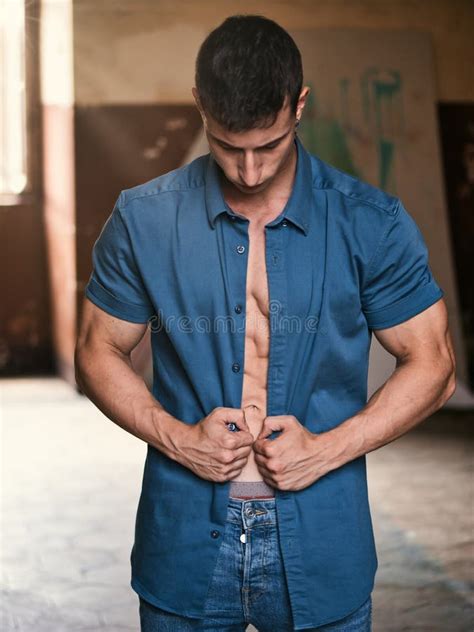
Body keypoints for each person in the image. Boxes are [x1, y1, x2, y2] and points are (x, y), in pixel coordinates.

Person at [75, 14, 456, 632]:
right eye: (228, 147)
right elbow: (96, 350)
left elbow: (435, 366)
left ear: (298, 105)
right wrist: (178, 439)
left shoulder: (370, 222)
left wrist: (326, 450)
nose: (248, 171)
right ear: (200, 105)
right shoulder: (143, 219)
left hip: (323, 535)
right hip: (185, 537)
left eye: (269, 146)